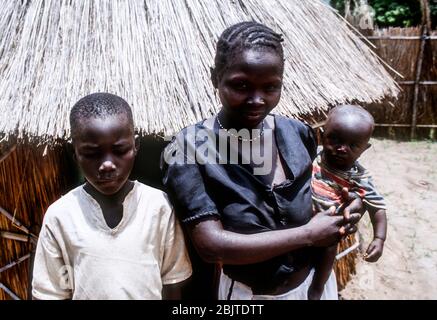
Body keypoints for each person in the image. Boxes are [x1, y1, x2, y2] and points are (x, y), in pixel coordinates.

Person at [161, 21, 363, 300]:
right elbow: (211, 246)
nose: (256, 99)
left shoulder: (298, 134)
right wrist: (308, 234)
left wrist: (346, 205)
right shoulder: (188, 149)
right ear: (215, 78)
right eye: (241, 85)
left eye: (270, 87)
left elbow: (321, 191)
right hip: (248, 295)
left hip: (313, 287)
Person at [32, 93, 192, 300]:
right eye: (92, 153)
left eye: (119, 150)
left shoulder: (157, 206)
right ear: (75, 152)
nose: (107, 164)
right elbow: (49, 293)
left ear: (135, 146)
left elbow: (172, 283)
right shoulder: (60, 216)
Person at [309, 104, 387, 299]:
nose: (342, 148)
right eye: (334, 139)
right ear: (322, 134)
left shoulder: (359, 178)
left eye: (353, 145)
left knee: (328, 255)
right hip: (300, 221)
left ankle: (317, 288)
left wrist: (379, 238)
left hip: (329, 228)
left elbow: (377, 208)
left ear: (365, 148)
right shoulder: (312, 156)